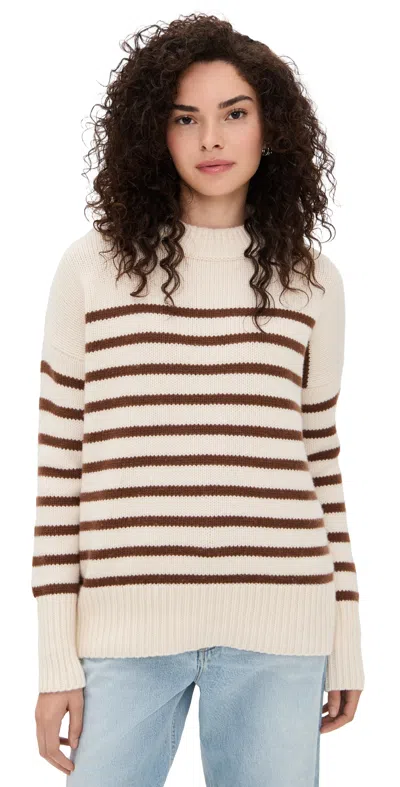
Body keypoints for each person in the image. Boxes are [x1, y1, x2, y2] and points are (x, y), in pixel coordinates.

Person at [32, 12, 365, 786]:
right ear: (156, 132)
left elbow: (320, 463)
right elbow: (59, 469)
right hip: (123, 631)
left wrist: (345, 637)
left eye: (234, 113)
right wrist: (54, 659)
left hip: (282, 625)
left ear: (271, 127)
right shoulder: (91, 270)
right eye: (186, 118)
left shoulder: (313, 282)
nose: (211, 138)